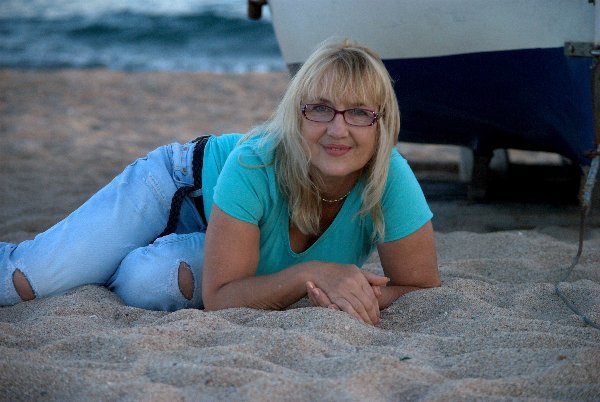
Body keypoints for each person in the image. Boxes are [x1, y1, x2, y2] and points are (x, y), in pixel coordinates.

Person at [0, 39, 440, 325]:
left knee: (150, 282)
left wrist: (351, 294)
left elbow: (420, 287)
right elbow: (222, 296)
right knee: (29, 281)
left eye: (359, 112)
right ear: (297, 114)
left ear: (382, 123)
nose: (338, 130)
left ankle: (102, 261)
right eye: (321, 108)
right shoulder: (256, 160)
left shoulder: (390, 177)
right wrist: (313, 274)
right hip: (177, 188)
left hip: (233, 243)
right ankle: (87, 257)